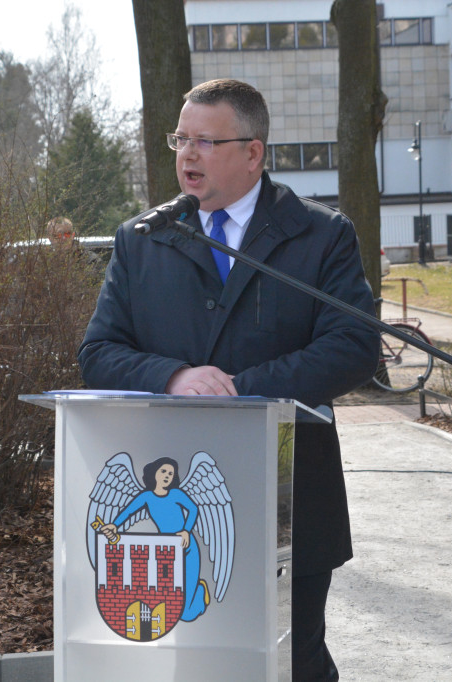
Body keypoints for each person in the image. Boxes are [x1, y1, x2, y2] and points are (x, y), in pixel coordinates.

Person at [77, 78, 379, 681]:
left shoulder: (320, 236)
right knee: (194, 663)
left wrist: (242, 390)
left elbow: (354, 346)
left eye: (206, 141)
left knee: (294, 657)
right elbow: (99, 351)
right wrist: (174, 376)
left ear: (253, 152)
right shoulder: (144, 240)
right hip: (176, 494)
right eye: (180, 139)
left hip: (291, 490)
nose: (188, 154)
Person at [98, 457, 210, 622]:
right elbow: (128, 511)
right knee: (170, 604)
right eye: (163, 471)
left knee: (185, 614)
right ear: (155, 473)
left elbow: (193, 509)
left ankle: (200, 590)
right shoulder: (147, 497)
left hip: (187, 548)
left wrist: (186, 530)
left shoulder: (176, 494)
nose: (167, 476)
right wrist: (114, 525)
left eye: (171, 473)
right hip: (166, 551)